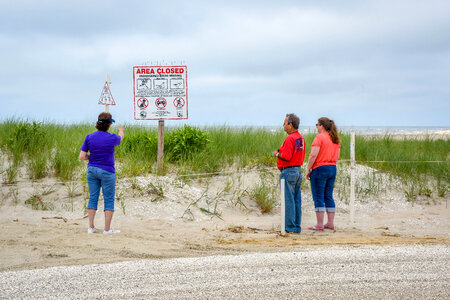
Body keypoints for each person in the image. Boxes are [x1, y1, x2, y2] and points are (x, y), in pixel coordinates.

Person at [79, 112, 124, 234]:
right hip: (107, 171)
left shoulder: (89, 137)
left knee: (93, 197)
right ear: (109, 125)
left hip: (92, 169)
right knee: (108, 199)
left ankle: (91, 227)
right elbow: (120, 138)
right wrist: (121, 130)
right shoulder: (112, 137)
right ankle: (107, 229)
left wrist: (91, 157)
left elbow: (82, 156)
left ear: (98, 124)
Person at [306, 117, 341, 231]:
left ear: (322, 126)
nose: (316, 127)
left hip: (320, 168)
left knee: (318, 196)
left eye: (317, 124)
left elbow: (313, 155)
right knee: (328, 196)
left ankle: (319, 224)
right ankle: (330, 223)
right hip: (332, 167)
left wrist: (308, 169)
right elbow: (337, 155)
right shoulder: (335, 139)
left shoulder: (319, 137)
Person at [273, 114, 305, 234]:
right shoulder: (300, 138)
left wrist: (277, 154)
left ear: (290, 125)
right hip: (297, 170)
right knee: (296, 199)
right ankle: (296, 227)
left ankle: (290, 228)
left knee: (289, 200)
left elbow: (286, 156)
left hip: (289, 171)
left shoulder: (290, 138)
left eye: (285, 123)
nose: (283, 125)